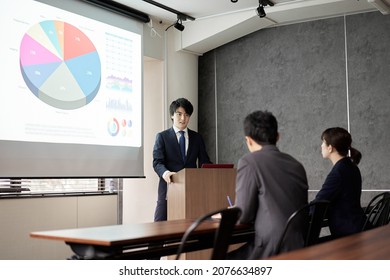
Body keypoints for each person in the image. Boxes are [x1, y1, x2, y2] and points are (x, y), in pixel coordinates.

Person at [228, 110, 309, 260]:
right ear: (278, 136)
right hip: (299, 245)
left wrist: (227, 214)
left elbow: (244, 215)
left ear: (249, 140)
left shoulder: (249, 162)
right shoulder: (297, 165)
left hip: (270, 249)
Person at [152, 98, 211, 222]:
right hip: (169, 188)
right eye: (179, 114)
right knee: (160, 226)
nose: (183, 118)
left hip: (192, 189)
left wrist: (216, 172)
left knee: (190, 225)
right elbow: (157, 162)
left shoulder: (197, 138)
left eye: (187, 115)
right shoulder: (162, 137)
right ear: (172, 116)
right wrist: (166, 173)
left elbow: (204, 162)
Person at [313, 127, 366, 239]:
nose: (321, 146)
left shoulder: (338, 172)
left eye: (323, 142)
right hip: (359, 225)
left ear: (330, 148)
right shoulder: (351, 166)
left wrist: (298, 214)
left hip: (348, 233)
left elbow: (319, 203)